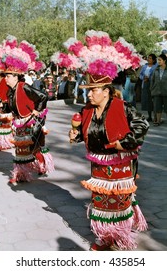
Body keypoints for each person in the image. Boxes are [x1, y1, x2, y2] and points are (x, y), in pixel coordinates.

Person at [52, 30, 149, 251]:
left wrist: (122, 144)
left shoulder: (122, 108)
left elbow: (142, 125)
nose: (89, 95)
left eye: (93, 91)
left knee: (118, 203)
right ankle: (105, 237)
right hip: (98, 165)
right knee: (101, 203)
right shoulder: (87, 111)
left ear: (106, 91)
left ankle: (120, 237)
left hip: (120, 164)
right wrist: (75, 135)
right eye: (88, 91)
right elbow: (88, 133)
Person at [0, 35, 54, 184]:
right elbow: (11, 105)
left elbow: (42, 97)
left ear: (16, 77)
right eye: (6, 75)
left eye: (8, 76)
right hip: (19, 123)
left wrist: (36, 111)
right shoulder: (10, 91)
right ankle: (20, 174)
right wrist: (3, 106)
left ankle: (42, 166)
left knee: (35, 149)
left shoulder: (24, 87)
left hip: (32, 122)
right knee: (20, 150)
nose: (5, 78)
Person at [0, 54, 14, 151]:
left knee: (4, 125)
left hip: (5, 107)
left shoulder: (4, 82)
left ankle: (6, 142)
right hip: (0, 106)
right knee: (1, 125)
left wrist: (3, 103)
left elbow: (6, 96)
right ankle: (2, 142)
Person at [139, 54, 157, 122]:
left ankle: (156, 116)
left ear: (153, 60)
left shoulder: (155, 67)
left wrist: (149, 78)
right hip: (145, 84)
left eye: (150, 58)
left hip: (152, 85)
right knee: (147, 100)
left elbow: (156, 76)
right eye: (148, 58)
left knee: (153, 101)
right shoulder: (145, 66)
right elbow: (140, 75)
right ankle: (149, 116)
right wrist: (143, 78)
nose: (148, 59)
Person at [150, 53, 167, 126]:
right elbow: (152, 80)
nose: (158, 61)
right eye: (158, 60)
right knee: (157, 107)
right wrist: (152, 89)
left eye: (160, 60)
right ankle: (158, 121)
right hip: (156, 91)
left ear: (164, 61)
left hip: (166, 91)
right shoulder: (156, 70)